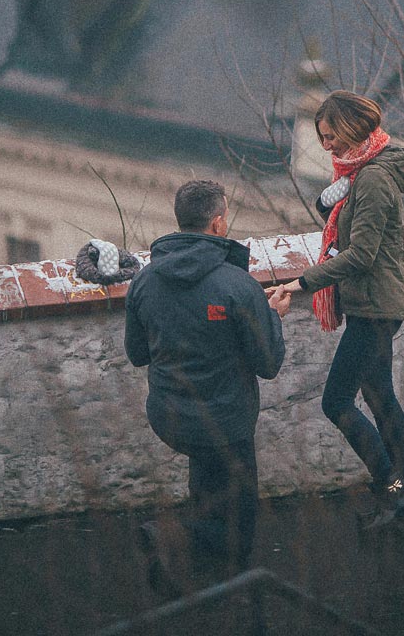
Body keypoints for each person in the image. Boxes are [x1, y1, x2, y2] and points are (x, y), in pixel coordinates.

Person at [266, 91, 404, 528]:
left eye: (331, 136)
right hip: (371, 306)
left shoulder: (372, 179)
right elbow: (351, 233)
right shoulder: (359, 177)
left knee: (336, 402)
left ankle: (393, 488)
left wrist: (301, 283)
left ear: (352, 128)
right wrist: (330, 203)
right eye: (321, 138)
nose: (327, 146)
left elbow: (361, 255)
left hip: (375, 309)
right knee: (380, 399)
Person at [125, 179, 286, 586]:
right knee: (240, 516)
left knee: (209, 478)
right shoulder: (238, 286)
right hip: (226, 422)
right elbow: (268, 363)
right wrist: (273, 316)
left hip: (169, 418)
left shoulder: (144, 281)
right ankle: (174, 540)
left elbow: (137, 354)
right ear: (217, 224)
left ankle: (190, 578)